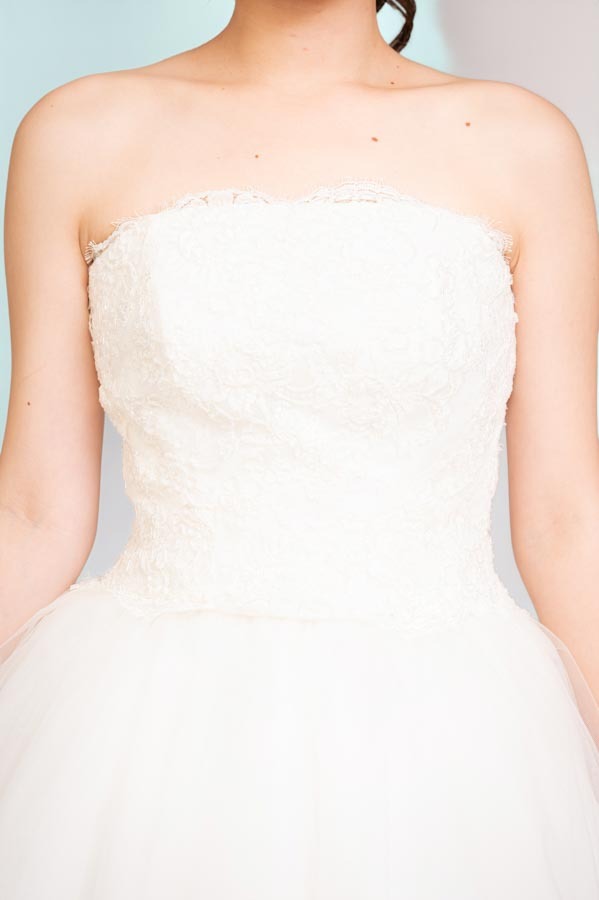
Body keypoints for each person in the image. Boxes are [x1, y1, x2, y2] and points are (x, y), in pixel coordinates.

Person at [1, 1, 598, 897]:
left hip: (450, 733)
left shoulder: (522, 143)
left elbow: (565, 519)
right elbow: (33, 510)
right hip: (150, 727)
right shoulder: (78, 132)